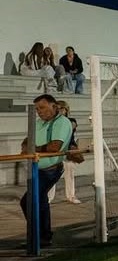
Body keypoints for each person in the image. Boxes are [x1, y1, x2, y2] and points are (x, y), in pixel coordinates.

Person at [19, 94, 72, 248]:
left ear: (54, 106)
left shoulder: (62, 122)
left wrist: (33, 149)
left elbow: (55, 147)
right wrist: (27, 146)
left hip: (50, 169)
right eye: (36, 109)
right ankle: (41, 236)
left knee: (30, 200)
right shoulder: (39, 123)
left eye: (42, 108)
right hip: (37, 168)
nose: (39, 112)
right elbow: (27, 140)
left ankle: (41, 235)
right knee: (38, 199)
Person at [48, 99, 83, 205]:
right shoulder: (51, 122)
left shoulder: (71, 121)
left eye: (60, 109)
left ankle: (71, 196)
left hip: (68, 151)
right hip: (56, 152)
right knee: (52, 176)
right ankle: (48, 198)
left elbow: (70, 127)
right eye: (56, 109)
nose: (58, 111)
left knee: (70, 174)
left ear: (66, 110)